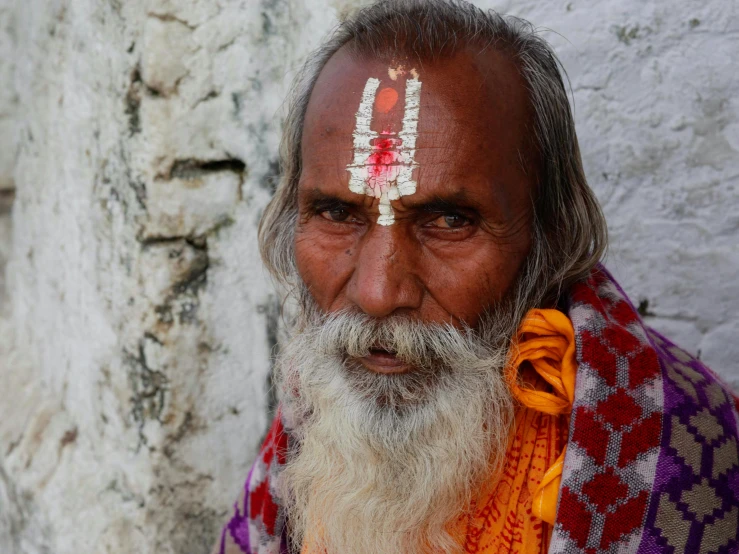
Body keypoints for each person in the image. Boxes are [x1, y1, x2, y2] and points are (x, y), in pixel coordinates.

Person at [213, 1, 739, 553]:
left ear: (548, 234)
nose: (376, 293)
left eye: (449, 221)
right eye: (338, 214)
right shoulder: (314, 417)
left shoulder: (683, 450)